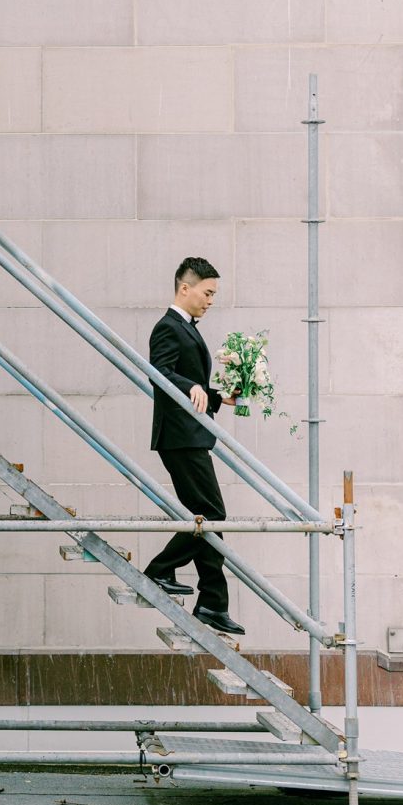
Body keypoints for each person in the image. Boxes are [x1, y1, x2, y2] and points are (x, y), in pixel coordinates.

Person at [142, 256, 243, 635]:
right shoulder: (167, 327)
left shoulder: (186, 327)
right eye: (207, 292)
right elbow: (160, 373)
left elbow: (190, 381)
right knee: (211, 515)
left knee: (206, 515)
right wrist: (192, 387)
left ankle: (212, 603)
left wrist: (219, 398)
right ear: (185, 288)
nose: (211, 300)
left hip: (190, 435)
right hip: (180, 438)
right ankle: (161, 571)